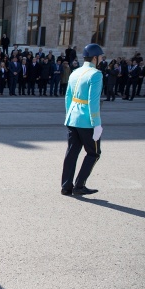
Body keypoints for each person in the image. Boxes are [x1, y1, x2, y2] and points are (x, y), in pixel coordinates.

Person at [61, 43, 104, 196]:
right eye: (100, 57)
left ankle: (66, 186)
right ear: (94, 58)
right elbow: (93, 102)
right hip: (87, 121)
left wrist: (69, 115)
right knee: (94, 153)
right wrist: (97, 124)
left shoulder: (75, 72)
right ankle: (79, 185)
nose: (101, 59)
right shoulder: (96, 74)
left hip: (72, 118)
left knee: (72, 152)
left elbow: (68, 97)